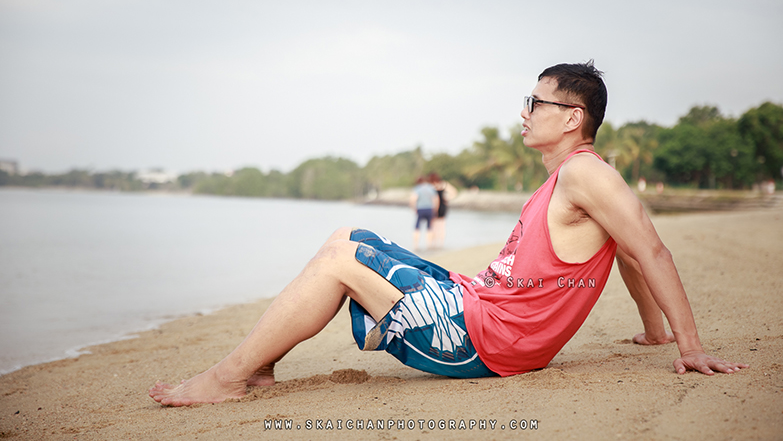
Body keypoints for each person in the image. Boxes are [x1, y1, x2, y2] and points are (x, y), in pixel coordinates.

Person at [150, 61, 747, 407]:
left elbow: (651, 249)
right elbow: (629, 254)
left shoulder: (587, 173)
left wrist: (688, 346)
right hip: (479, 304)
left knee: (337, 264)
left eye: (534, 102)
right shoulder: (576, 176)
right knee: (347, 235)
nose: (522, 113)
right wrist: (653, 330)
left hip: (487, 338)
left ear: (570, 117)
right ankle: (259, 366)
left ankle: (225, 379)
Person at [428, 172, 458, 249]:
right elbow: (454, 192)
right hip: (443, 206)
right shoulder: (444, 184)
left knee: (433, 226)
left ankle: (433, 244)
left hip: (434, 207)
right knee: (442, 226)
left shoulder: (431, 186)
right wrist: (447, 198)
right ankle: (441, 244)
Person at [409, 176, 439, 251]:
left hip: (420, 209)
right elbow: (436, 199)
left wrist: (414, 208)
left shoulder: (417, 188)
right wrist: (435, 209)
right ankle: (429, 245)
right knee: (429, 227)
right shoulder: (431, 188)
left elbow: (413, 199)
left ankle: (415, 245)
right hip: (430, 209)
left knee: (417, 227)